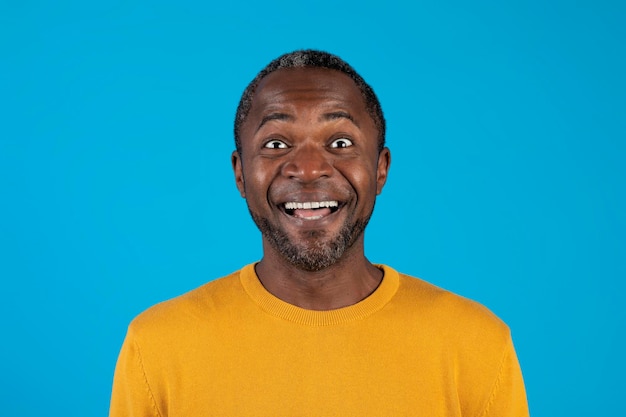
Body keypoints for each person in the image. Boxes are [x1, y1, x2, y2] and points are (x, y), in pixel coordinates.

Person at [109, 50, 529, 416]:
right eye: (276, 144)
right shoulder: (158, 347)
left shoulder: (476, 345)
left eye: (341, 142)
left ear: (380, 168)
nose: (309, 169)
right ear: (240, 174)